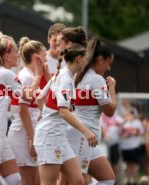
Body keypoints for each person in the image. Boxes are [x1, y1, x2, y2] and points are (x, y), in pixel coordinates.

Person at [0, 31, 43, 185]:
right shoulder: (6, 74)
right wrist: (38, 76)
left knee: (14, 179)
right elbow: (27, 96)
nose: (18, 55)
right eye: (14, 52)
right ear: (6, 56)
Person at [34, 43, 97, 185]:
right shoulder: (65, 78)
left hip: (59, 137)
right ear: (79, 59)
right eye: (86, 59)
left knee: (78, 181)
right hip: (50, 137)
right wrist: (86, 131)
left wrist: (44, 114)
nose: (87, 63)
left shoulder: (62, 75)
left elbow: (40, 98)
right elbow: (63, 111)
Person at [61, 38, 117, 185]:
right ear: (100, 59)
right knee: (76, 181)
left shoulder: (78, 76)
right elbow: (110, 110)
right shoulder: (96, 79)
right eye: (108, 63)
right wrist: (112, 88)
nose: (108, 68)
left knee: (108, 179)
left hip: (83, 137)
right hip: (81, 136)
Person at [8, 37, 46, 185]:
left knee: (36, 181)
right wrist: (33, 140)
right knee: (28, 181)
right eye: (44, 56)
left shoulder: (31, 76)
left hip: (30, 132)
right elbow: (23, 112)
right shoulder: (26, 77)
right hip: (24, 134)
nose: (46, 59)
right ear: (36, 58)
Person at [120, 110, 144, 185]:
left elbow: (141, 132)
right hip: (125, 147)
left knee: (134, 164)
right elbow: (120, 133)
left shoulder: (137, 123)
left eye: (131, 114)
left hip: (134, 146)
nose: (129, 116)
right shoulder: (124, 122)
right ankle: (129, 180)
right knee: (127, 164)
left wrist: (134, 133)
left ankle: (133, 179)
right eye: (128, 114)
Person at [39, 23, 66, 89]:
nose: (57, 43)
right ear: (48, 39)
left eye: (60, 40)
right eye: (54, 40)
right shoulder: (41, 59)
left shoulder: (69, 61)